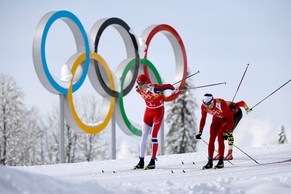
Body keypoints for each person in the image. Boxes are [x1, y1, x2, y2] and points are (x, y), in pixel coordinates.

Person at [134, 74, 179, 170]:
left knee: (153, 136)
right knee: (144, 136)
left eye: (141, 84)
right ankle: (141, 161)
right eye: (138, 84)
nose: (139, 86)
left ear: (146, 83)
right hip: (148, 112)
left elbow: (167, 86)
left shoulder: (154, 89)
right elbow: (137, 87)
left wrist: (174, 89)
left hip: (158, 112)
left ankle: (153, 161)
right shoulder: (138, 89)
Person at [195, 93, 234, 169]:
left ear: (212, 101)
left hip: (225, 120)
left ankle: (221, 162)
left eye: (209, 104)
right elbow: (203, 119)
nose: (207, 107)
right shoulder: (204, 106)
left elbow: (231, 119)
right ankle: (210, 162)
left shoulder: (221, 104)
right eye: (205, 104)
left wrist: (228, 132)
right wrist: (200, 131)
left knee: (220, 138)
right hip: (216, 119)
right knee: (211, 139)